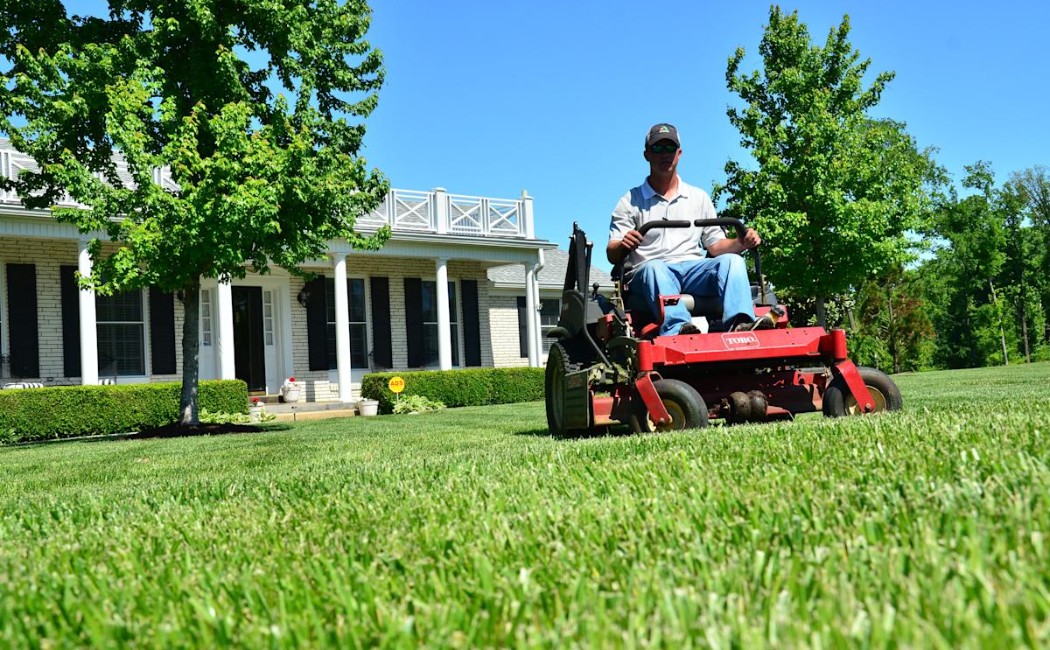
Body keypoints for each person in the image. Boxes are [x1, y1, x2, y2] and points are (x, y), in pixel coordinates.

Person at [607, 123, 773, 336]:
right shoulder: (630, 201)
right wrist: (623, 244)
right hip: (651, 273)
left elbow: (714, 245)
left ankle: (741, 324)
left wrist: (742, 242)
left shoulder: (698, 197)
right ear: (647, 154)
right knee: (655, 268)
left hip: (694, 270)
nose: (664, 154)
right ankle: (679, 328)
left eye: (670, 148)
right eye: (657, 148)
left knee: (733, 261)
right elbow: (612, 252)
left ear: (679, 153)